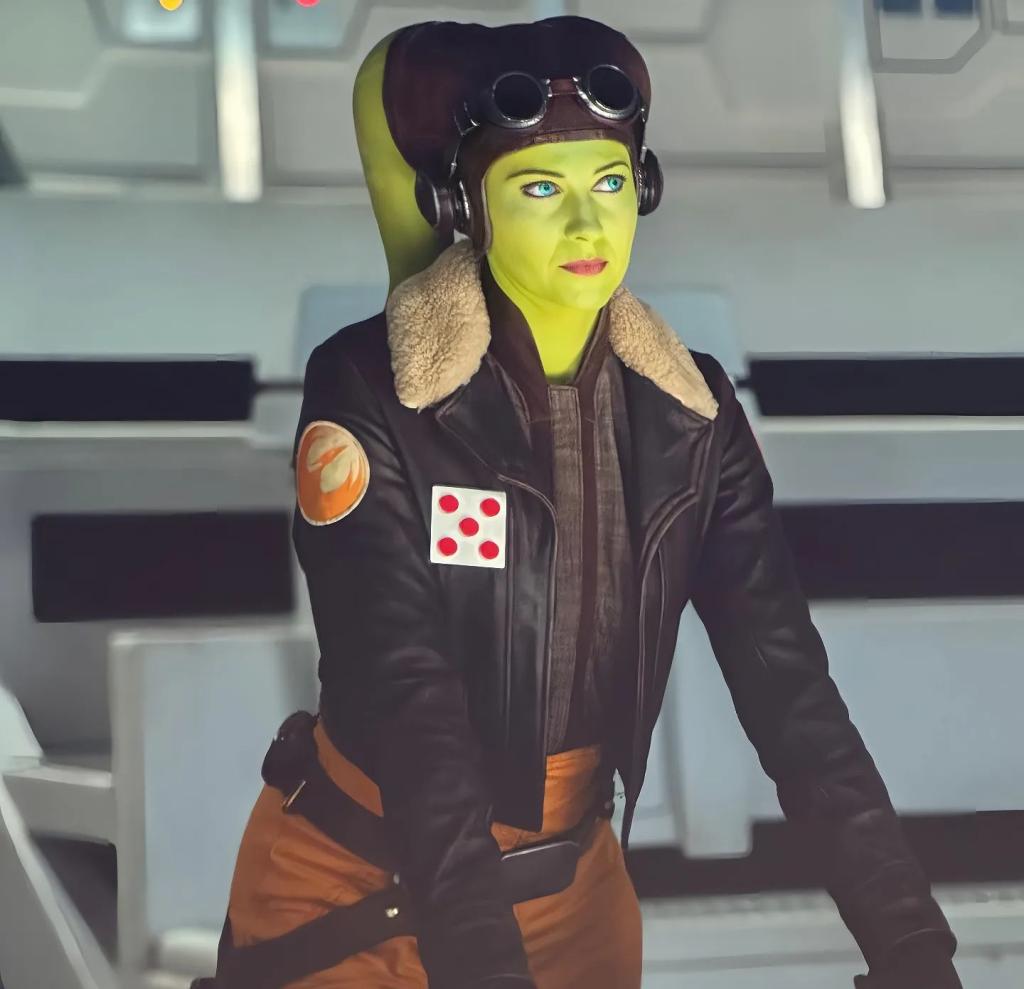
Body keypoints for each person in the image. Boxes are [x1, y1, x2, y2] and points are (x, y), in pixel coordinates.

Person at [199, 16, 963, 989]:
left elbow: (792, 698)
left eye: (607, 183)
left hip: (572, 893)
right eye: (538, 189)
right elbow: (409, 698)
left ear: (643, 187)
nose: (585, 226)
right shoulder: (367, 391)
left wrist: (912, 947)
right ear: (463, 205)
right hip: (356, 886)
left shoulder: (693, 415)